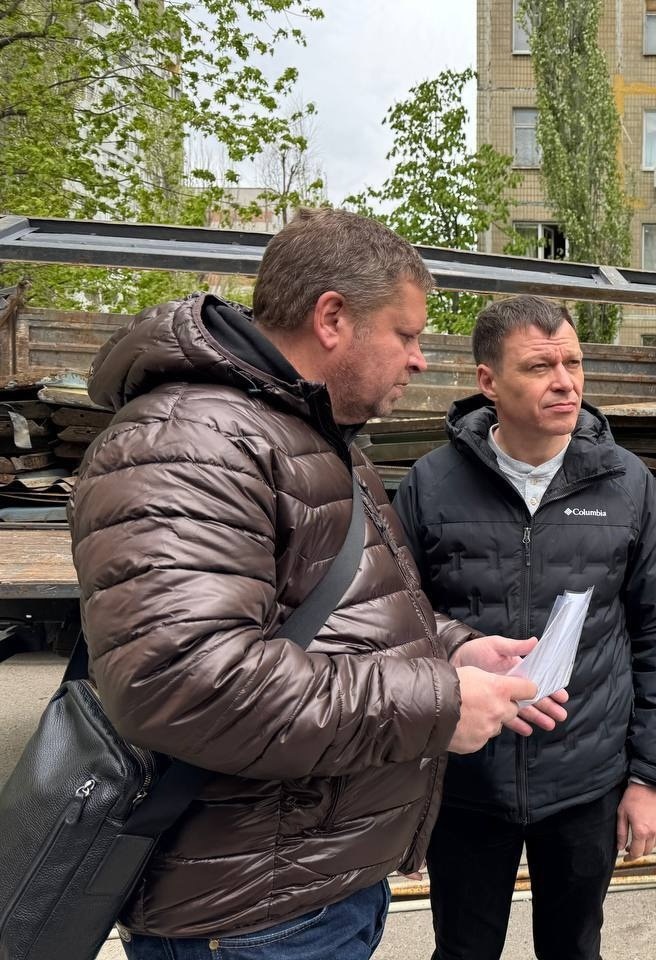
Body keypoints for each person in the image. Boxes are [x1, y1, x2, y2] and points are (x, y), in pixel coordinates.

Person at [69, 209, 551, 960]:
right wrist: (440, 702)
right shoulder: (193, 444)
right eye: (406, 334)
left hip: (302, 883)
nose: (420, 360)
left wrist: (452, 649)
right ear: (332, 318)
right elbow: (186, 682)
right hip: (249, 918)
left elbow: (340, 608)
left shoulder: (307, 433)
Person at [394, 294, 656, 960]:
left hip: (586, 779)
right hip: (470, 780)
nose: (565, 382)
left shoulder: (626, 483)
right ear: (488, 381)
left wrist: (650, 778)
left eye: (573, 363)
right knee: (464, 952)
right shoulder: (431, 485)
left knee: (574, 949)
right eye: (539, 366)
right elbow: (395, 620)